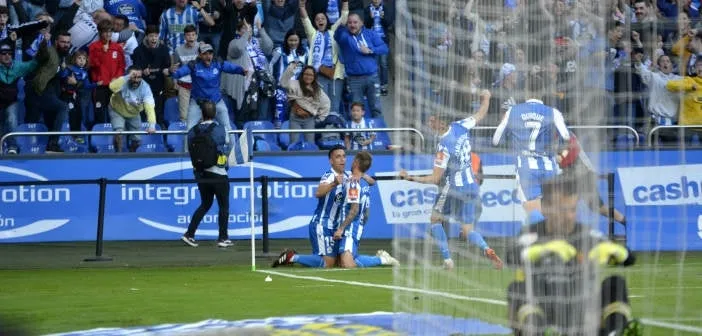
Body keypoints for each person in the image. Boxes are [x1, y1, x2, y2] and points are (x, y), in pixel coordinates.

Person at [504, 175, 641, 336]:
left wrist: (619, 252)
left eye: (573, 209)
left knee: (615, 283)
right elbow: (511, 256)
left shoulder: (586, 234)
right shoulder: (532, 233)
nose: (569, 215)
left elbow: (629, 259)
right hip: (545, 310)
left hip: (581, 310)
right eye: (562, 209)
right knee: (517, 288)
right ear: (546, 208)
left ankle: (614, 332)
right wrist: (542, 250)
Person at [398, 89, 503, 271]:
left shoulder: (443, 146)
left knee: (435, 219)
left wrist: (410, 178)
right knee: (468, 230)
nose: (429, 122)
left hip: (453, 187)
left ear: (440, 123)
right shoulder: (461, 125)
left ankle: (447, 261)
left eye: (432, 120)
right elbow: (480, 113)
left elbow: (435, 178)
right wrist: (486, 97)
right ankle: (487, 249)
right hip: (471, 185)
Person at [492, 76, 570, 215]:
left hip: (525, 167)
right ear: (544, 91)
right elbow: (566, 138)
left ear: (526, 91)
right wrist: (561, 155)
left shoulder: (513, 111)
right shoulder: (553, 112)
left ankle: (542, 234)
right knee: (549, 209)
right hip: (549, 166)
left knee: (532, 210)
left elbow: (496, 140)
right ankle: (553, 233)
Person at [272, 144, 348, 268]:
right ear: (331, 161)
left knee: (340, 262)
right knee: (327, 264)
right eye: (338, 157)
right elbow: (318, 193)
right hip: (322, 225)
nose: (342, 160)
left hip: (335, 227)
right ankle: (291, 257)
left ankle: (302, 258)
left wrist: (366, 177)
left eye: (344, 156)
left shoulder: (347, 175)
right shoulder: (329, 176)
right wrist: (334, 183)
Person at [181, 100, 233, 248]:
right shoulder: (220, 128)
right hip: (218, 173)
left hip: (200, 174)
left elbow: (188, 148)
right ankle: (223, 238)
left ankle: (189, 234)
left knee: (205, 204)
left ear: (201, 114)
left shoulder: (193, 131)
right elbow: (227, 142)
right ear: (215, 114)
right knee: (224, 206)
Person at [334, 151, 399, 268]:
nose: (351, 162)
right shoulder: (364, 181)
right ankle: (381, 259)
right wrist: (363, 175)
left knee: (347, 264)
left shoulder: (354, 183)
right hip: (357, 225)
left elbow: (354, 210)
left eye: (354, 160)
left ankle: (382, 260)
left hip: (350, 227)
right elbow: (373, 182)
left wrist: (341, 229)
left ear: (357, 162)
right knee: (340, 261)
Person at [170, 43, 246, 143]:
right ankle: (187, 156)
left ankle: (232, 155)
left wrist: (242, 70)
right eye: (205, 54)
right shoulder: (193, 65)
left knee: (228, 128)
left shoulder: (218, 63)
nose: (208, 56)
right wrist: (171, 71)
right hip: (198, 103)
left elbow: (232, 68)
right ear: (200, 55)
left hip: (216, 102)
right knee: (189, 129)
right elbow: (178, 73)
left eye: (210, 53)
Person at [556, 131, 627, 226]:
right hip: (567, 175)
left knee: (596, 207)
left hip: (582, 173)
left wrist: (561, 156)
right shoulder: (545, 134)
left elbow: (568, 149)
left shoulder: (564, 132)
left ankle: (626, 222)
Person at [107, 66, 156, 152]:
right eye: (134, 76)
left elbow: (150, 107)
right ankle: (118, 155)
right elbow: (112, 87)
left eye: (139, 77)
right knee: (119, 133)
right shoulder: (122, 81)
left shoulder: (146, 88)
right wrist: (127, 77)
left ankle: (131, 154)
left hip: (134, 113)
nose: (136, 80)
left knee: (137, 141)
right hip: (117, 109)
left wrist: (151, 125)